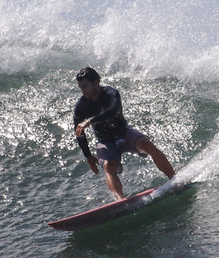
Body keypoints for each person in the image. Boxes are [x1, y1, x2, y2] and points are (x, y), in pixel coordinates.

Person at [72, 67, 176, 201]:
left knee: (147, 144)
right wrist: (87, 155)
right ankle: (120, 201)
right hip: (106, 142)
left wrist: (91, 121)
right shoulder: (81, 106)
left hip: (124, 133)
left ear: (96, 82)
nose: (83, 91)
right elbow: (79, 132)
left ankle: (174, 179)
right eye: (81, 88)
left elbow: (113, 111)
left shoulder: (111, 93)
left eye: (85, 86)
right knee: (107, 166)